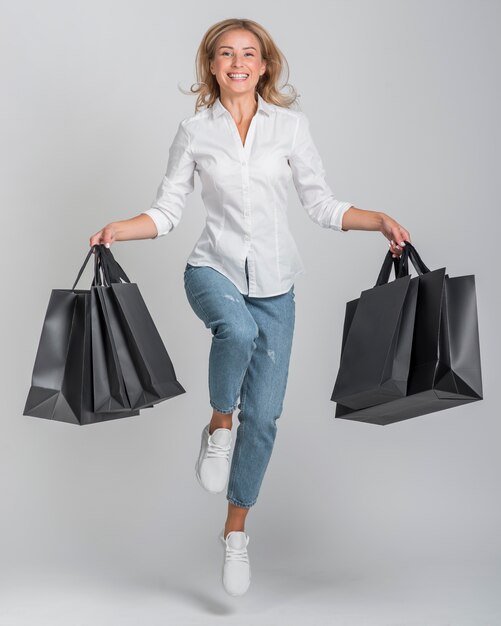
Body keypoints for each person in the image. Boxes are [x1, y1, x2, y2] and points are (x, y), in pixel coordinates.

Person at [89, 18, 411, 596]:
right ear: (211, 66)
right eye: (225, 53)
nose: (238, 62)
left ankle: (235, 532)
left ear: (265, 65)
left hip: (278, 286)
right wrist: (120, 230)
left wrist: (377, 220)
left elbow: (320, 203)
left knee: (263, 420)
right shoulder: (194, 132)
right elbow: (165, 212)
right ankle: (218, 424)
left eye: (249, 53)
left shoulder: (290, 128)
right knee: (234, 334)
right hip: (212, 269)